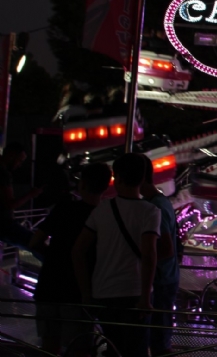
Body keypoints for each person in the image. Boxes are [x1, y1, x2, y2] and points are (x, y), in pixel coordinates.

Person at [73, 153, 161, 357]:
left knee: (113, 348)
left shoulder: (103, 209)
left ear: (117, 178)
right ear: (142, 178)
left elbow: (78, 250)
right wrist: (146, 297)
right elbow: (149, 255)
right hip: (135, 293)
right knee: (136, 350)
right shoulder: (150, 211)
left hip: (104, 293)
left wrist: (86, 292)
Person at [31, 163, 112, 356]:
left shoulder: (64, 208)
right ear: (106, 186)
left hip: (49, 286)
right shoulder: (104, 215)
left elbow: (35, 242)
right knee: (79, 347)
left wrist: (52, 257)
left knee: (49, 346)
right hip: (80, 292)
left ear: (82, 184)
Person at [140, 154, 180, 356]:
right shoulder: (163, 202)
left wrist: (143, 260)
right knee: (159, 337)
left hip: (161, 281)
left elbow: (166, 248)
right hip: (166, 278)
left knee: (158, 340)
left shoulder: (155, 207)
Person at [0, 142, 42, 253]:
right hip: (4, 224)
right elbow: (10, 204)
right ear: (11, 155)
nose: (19, 165)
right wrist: (31, 194)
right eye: (19, 160)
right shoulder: (3, 174)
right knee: (37, 245)